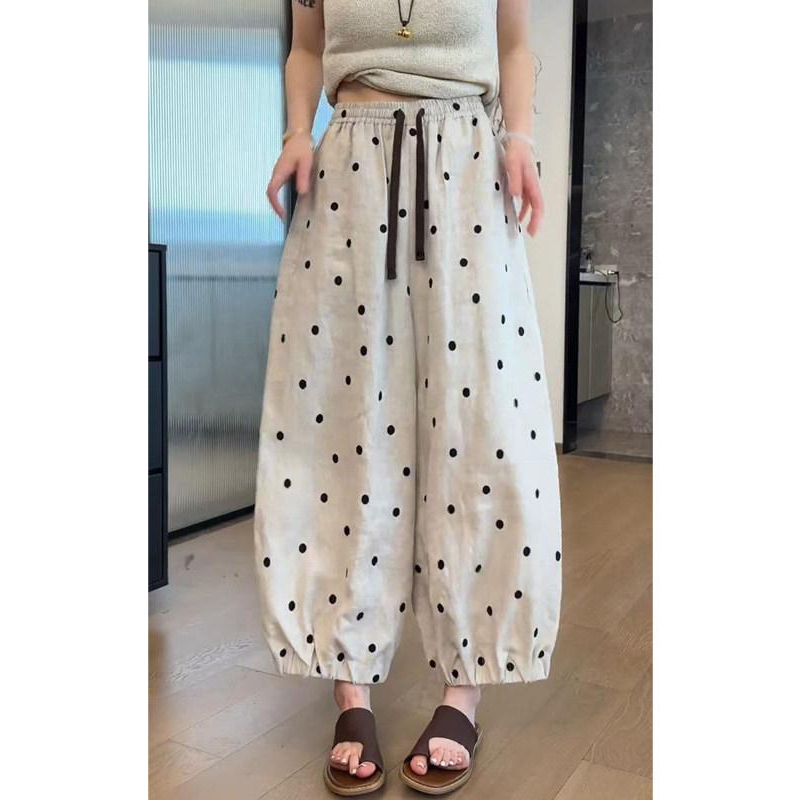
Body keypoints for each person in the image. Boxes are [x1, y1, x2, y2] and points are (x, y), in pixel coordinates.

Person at [255, 0, 562, 794]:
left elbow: (514, 40)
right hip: (349, 164)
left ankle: (465, 690)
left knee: (484, 422)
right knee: (339, 424)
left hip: (468, 158)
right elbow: (307, 48)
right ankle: (349, 686)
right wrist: (296, 132)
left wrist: (521, 139)